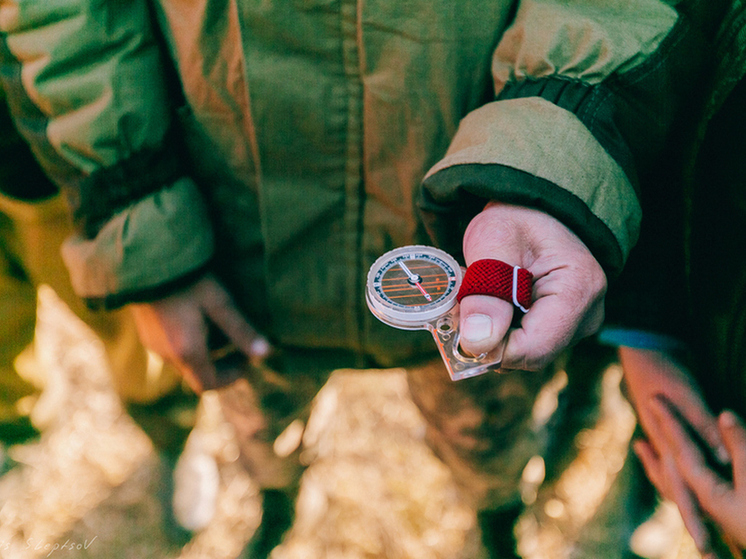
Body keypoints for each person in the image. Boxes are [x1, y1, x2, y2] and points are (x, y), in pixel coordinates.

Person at [0, 0, 729, 556]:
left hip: (480, 242)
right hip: (231, 249)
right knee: (263, 425)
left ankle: (495, 515)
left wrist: (552, 151)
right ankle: (276, 501)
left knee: (490, 438)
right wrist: (143, 218)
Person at [599, 5, 746, 557]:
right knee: (656, 444)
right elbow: (692, 97)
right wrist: (643, 331)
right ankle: (626, 503)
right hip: (685, 358)